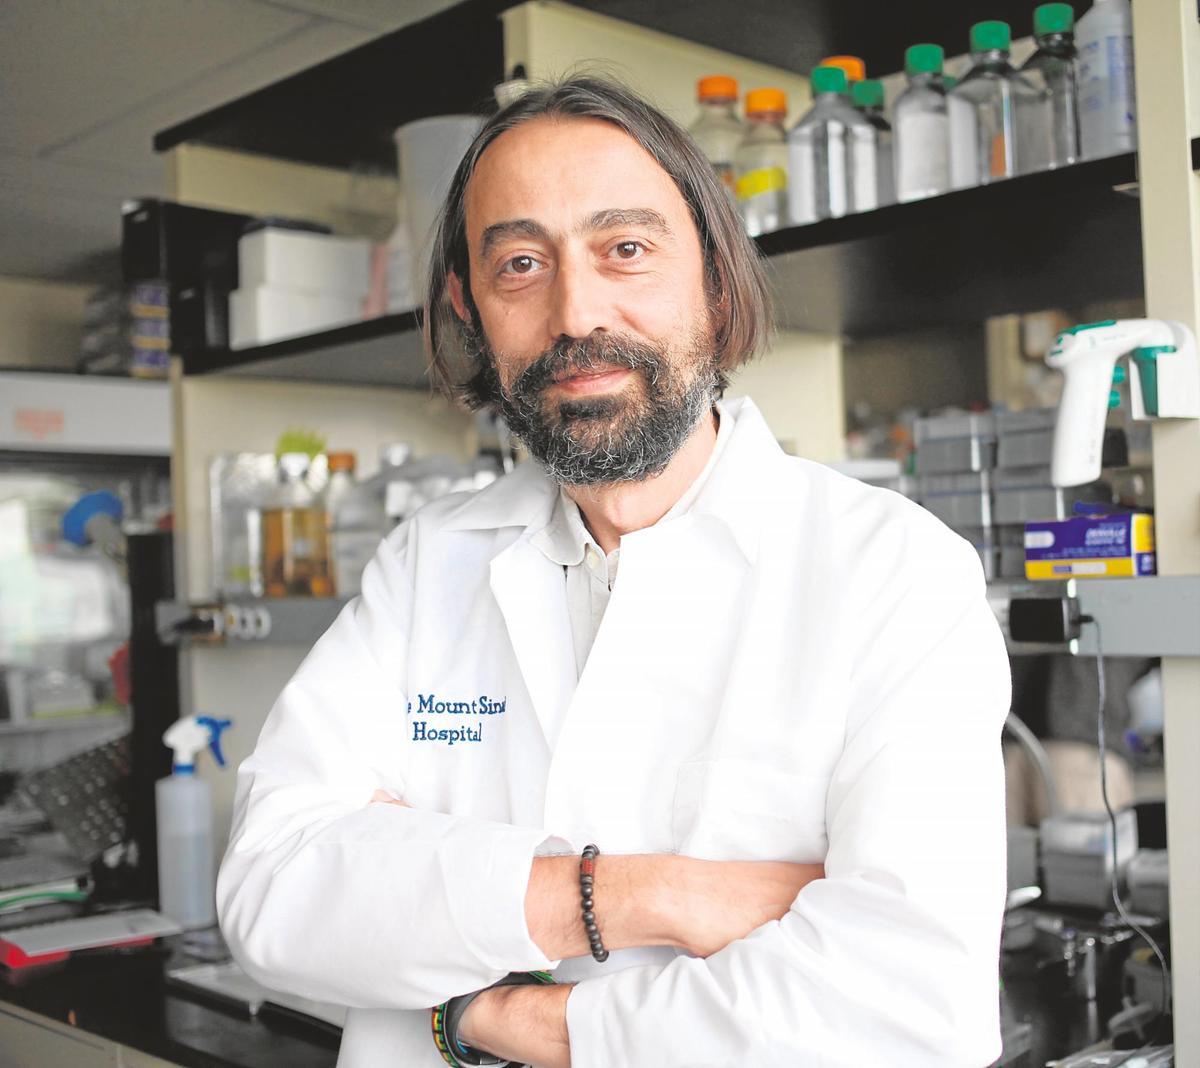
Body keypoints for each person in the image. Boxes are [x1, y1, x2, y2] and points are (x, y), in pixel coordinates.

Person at [217, 76, 1012, 1067]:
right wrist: (648, 895)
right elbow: (272, 896)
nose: (574, 310)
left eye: (626, 250)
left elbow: (910, 1009)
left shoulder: (890, 571)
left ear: (716, 284)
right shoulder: (429, 562)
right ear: (470, 307)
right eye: (519, 263)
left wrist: (488, 1013)